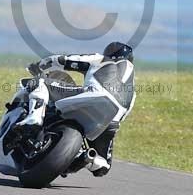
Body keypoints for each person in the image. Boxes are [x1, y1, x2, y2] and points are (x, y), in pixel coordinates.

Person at [18, 42, 135, 177]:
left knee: (39, 83)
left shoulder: (100, 59)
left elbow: (63, 60)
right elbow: (124, 114)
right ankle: (85, 158)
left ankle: (34, 119)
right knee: (103, 166)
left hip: (94, 97)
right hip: (110, 121)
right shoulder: (132, 89)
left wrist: (38, 66)